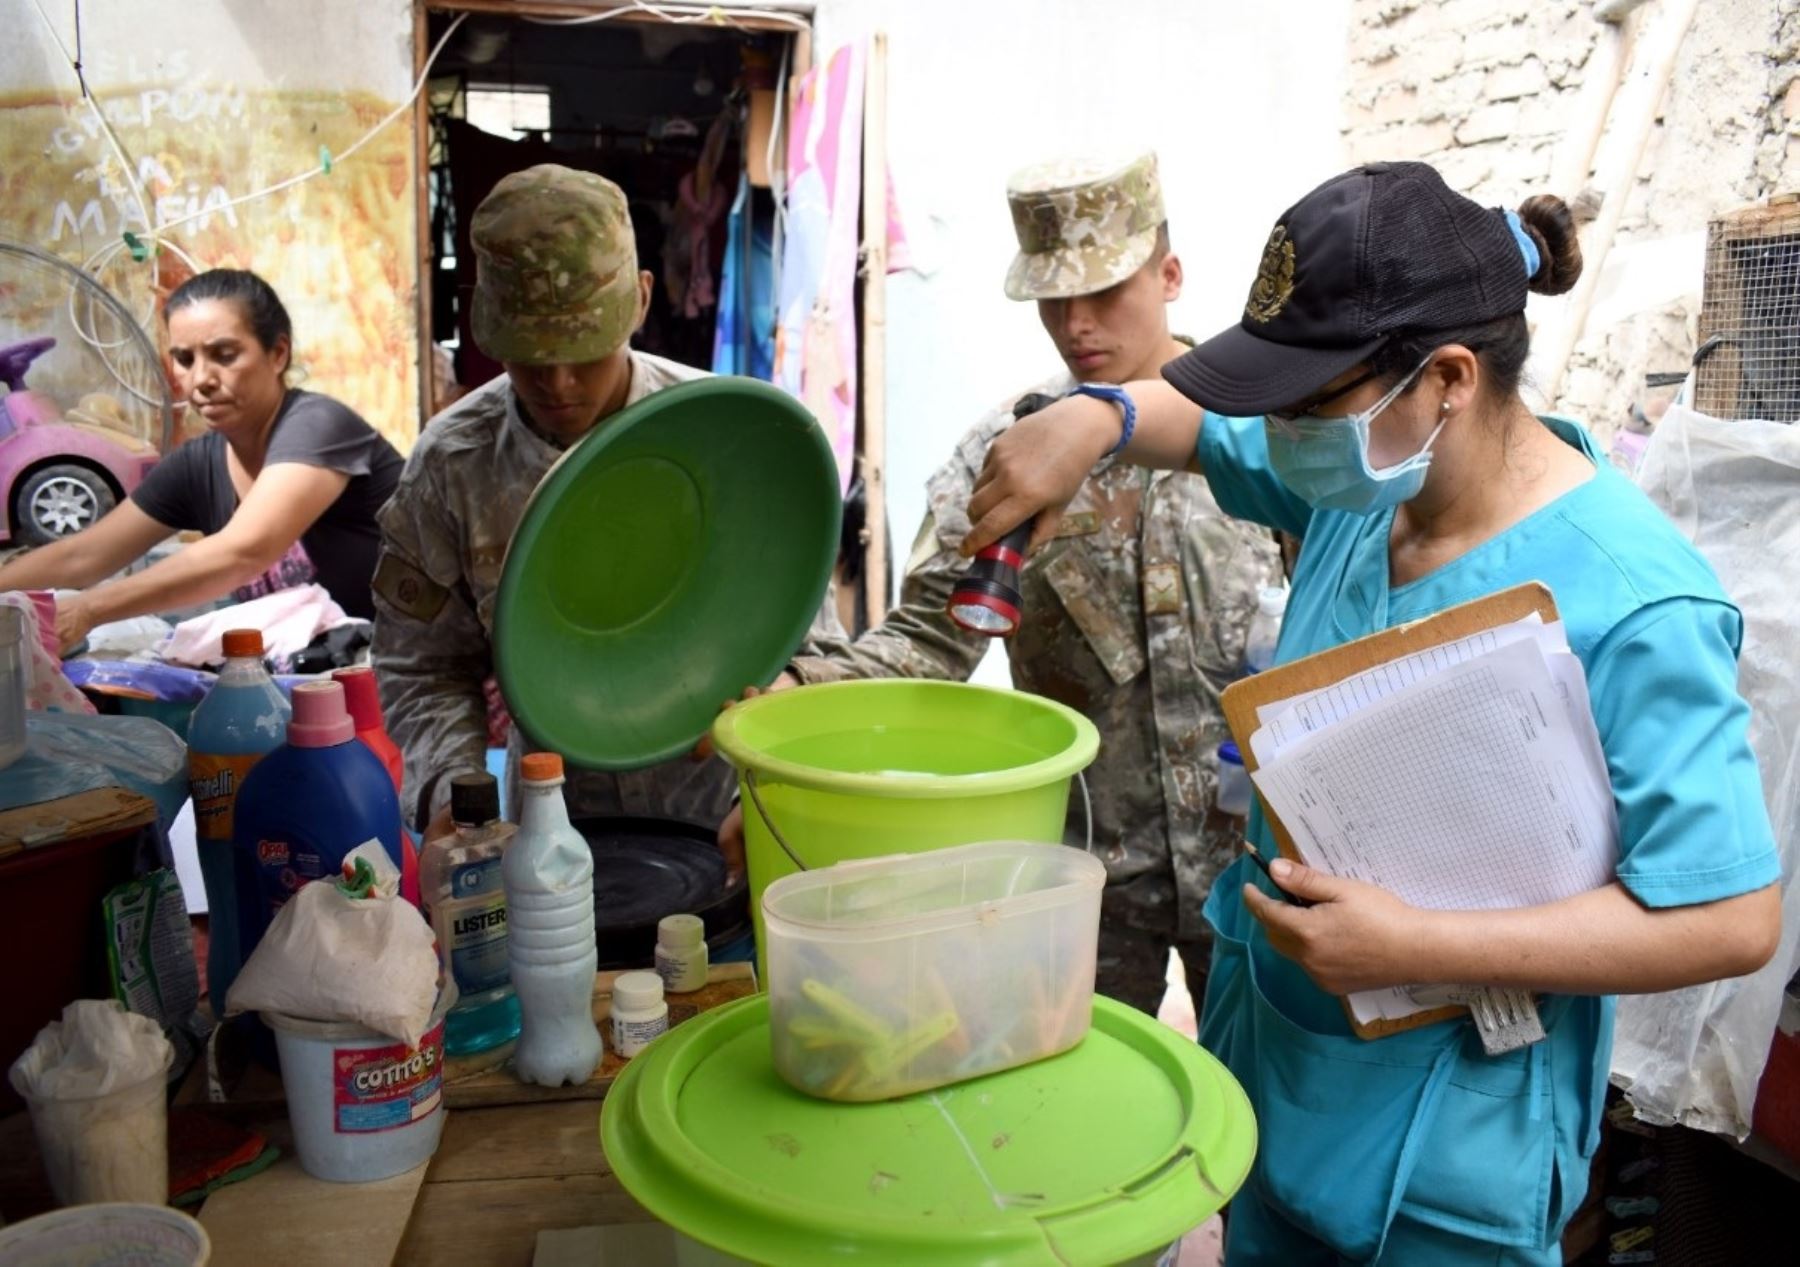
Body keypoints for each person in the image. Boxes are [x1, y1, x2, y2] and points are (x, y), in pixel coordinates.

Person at [961, 161, 1781, 1264]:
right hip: (1282, 1069)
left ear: (1444, 378)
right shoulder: (1366, 490)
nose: (1285, 431)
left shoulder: (1634, 600)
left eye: (1309, 405)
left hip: (1448, 1145)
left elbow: (1727, 917)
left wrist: (1419, 943)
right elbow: (1199, 429)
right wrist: (1094, 416)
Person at [760, 152, 1281, 1016]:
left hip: (1255, 866)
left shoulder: (1267, 434)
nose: (1077, 323)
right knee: (1083, 1119)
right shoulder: (1005, 457)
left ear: (1171, 274)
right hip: (1087, 883)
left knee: (1260, 1118)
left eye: (1106, 290)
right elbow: (928, 639)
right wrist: (797, 688)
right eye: (1052, 296)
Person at [373, 164, 846, 852]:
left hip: (735, 823)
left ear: (642, 299)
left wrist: (791, 693)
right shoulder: (454, 465)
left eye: (586, 350)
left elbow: (818, 645)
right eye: (531, 356)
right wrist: (454, 792)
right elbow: (424, 667)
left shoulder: (733, 437)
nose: (559, 383)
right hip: (558, 839)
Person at [0, 269, 402, 650]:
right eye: (185, 360)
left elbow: (242, 552)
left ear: (278, 354)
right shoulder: (197, 465)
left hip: (411, 671)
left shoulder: (320, 426)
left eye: (224, 355)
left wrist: (89, 609)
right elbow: (82, 557)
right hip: (317, 674)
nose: (201, 380)